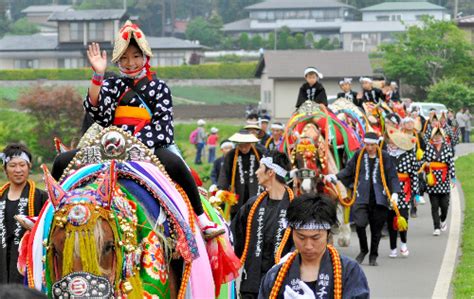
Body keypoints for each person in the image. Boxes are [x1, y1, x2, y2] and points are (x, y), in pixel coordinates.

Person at [83, 20, 224, 239]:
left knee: (177, 165)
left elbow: (163, 128)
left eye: (136, 56)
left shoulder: (159, 88)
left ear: (146, 57)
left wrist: (134, 143)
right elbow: (100, 114)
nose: (130, 63)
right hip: (113, 146)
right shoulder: (112, 86)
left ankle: (201, 219)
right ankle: (46, 215)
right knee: (65, 161)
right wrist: (98, 76)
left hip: (147, 146)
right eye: (125, 58)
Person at [258, 193, 370, 299]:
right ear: (291, 233)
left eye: (315, 238)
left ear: (328, 234)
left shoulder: (349, 271)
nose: (308, 246)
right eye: (301, 237)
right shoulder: (276, 274)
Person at [325, 132, 400, 266]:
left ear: (376, 144)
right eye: (367, 144)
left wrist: (395, 193)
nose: (369, 147)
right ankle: (363, 250)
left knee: (376, 229)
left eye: (372, 145)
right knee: (360, 224)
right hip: (361, 196)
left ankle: (373, 255)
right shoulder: (359, 155)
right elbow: (349, 170)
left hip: (379, 197)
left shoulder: (385, 157)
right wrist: (336, 177)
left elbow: (392, 175)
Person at [232, 151, 293, 299]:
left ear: (270, 172)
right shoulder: (252, 205)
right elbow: (234, 235)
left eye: (260, 167)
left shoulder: (295, 207)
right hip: (251, 283)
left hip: (281, 282)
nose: (256, 172)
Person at [0, 144, 48, 283]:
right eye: (12, 165)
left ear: (29, 167)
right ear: (5, 169)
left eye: (22, 165)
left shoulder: (41, 197)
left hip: (28, 262)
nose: (18, 170)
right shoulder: (1, 196)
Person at [385, 127, 419, 258]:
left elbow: (414, 175)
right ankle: (393, 247)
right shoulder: (385, 156)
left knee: (403, 218)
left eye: (394, 143)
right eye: (390, 142)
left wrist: (416, 193)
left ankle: (403, 243)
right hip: (389, 191)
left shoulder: (409, 156)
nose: (391, 145)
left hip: (405, 191)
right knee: (391, 220)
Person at [218, 130, 263, 218]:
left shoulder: (259, 153)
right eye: (241, 146)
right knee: (237, 214)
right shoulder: (231, 155)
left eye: (246, 146)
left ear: (250, 143)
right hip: (237, 190)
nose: (243, 149)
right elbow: (225, 172)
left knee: (254, 212)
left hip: (255, 188)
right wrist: (222, 189)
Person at [422, 127, 456, 236]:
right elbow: (423, 160)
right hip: (432, 181)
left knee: (445, 205)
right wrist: (425, 164)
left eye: (439, 136)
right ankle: (436, 227)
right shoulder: (428, 148)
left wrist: (453, 177)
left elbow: (451, 163)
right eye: (435, 137)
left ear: (442, 137)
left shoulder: (447, 148)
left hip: (444, 180)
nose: (437, 139)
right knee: (434, 206)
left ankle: (443, 219)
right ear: (432, 137)